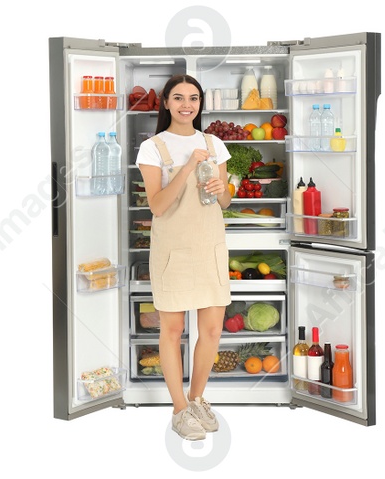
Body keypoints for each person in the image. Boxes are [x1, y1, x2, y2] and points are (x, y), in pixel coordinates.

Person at [134, 74, 231, 441]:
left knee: (211, 331)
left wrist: (224, 189)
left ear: (200, 103)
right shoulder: (153, 147)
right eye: (178, 98)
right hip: (173, 251)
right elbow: (157, 206)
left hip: (209, 247)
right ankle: (178, 410)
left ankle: (196, 398)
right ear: (166, 103)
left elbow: (224, 202)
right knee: (172, 331)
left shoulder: (214, 143)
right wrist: (188, 166)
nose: (186, 104)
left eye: (193, 98)